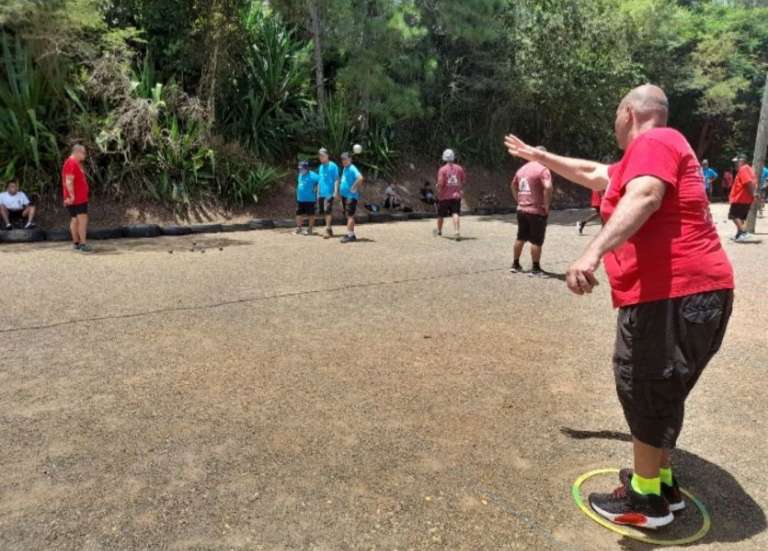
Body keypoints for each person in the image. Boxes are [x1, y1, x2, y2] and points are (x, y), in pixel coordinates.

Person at [505, 84, 734, 530]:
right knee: (661, 388)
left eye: (615, 115)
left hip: (671, 295)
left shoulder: (655, 141)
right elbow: (593, 172)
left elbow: (645, 196)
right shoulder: (655, 150)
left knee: (644, 384)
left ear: (629, 113)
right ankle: (661, 482)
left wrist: (591, 254)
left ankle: (646, 501)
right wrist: (540, 156)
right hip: (698, 294)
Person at [510, 148, 553, 276]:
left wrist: (518, 200)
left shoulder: (521, 169)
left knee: (521, 237)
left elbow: (512, 186)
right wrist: (546, 204)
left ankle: (515, 264)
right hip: (536, 210)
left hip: (521, 209)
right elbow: (548, 187)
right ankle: (535, 268)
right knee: (536, 240)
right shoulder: (542, 169)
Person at [61, 144, 93, 253]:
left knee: (75, 219)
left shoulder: (74, 163)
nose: (85, 155)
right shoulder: (71, 162)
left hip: (76, 197)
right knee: (82, 220)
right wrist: (72, 196)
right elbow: (69, 181)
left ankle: (76, 243)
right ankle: (83, 244)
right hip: (77, 198)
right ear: (77, 152)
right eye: (83, 152)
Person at [434, 149, 466, 240]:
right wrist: (458, 188)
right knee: (455, 213)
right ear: (453, 157)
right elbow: (462, 181)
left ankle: (439, 231)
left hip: (444, 197)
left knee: (440, 215)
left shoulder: (442, 169)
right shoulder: (459, 168)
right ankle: (456, 231)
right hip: (456, 196)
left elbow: (440, 183)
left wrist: (438, 188)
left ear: (444, 158)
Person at [728, 154, 756, 241]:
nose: (735, 164)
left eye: (736, 162)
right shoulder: (748, 169)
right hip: (744, 198)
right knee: (740, 217)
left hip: (740, 198)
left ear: (742, 161)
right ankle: (739, 234)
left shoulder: (743, 169)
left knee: (733, 215)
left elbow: (748, 182)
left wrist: (753, 194)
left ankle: (744, 233)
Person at [339, 152, 363, 243]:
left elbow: (360, 178)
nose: (344, 161)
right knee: (348, 215)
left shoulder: (352, 168)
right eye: (342, 159)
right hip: (345, 196)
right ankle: (351, 234)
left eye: (345, 159)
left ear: (350, 159)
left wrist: (354, 187)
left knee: (350, 215)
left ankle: (350, 235)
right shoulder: (345, 168)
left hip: (351, 196)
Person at [317, 148, 340, 239]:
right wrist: (318, 192)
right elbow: (319, 180)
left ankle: (327, 229)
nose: (321, 157)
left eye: (322, 155)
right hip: (321, 193)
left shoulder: (333, 166)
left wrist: (335, 191)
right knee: (323, 211)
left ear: (327, 156)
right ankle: (329, 229)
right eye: (320, 156)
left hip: (329, 193)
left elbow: (336, 179)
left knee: (327, 211)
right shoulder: (320, 167)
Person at [295, 161, 319, 235]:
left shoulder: (313, 175)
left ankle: (310, 230)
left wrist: (316, 187)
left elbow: (321, 181)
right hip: (300, 199)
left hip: (310, 199)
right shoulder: (300, 175)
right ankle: (299, 229)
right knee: (298, 214)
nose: (300, 170)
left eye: (302, 169)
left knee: (311, 214)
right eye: (299, 169)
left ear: (306, 168)